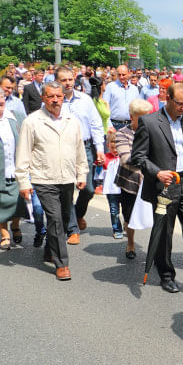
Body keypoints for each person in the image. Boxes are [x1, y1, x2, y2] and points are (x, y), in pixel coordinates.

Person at [130, 81, 183, 300]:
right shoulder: (149, 122)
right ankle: (166, 275)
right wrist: (157, 172)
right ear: (167, 98)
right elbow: (138, 157)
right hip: (164, 186)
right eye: (179, 103)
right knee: (164, 233)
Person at [15, 82, 88, 280]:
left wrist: (81, 174)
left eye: (58, 96)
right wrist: (23, 182)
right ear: (43, 98)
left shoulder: (72, 120)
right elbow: (22, 153)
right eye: (50, 96)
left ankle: (50, 247)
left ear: (63, 97)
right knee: (55, 219)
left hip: (66, 179)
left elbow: (79, 150)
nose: (55, 100)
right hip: (43, 178)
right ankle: (62, 264)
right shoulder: (32, 121)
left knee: (64, 219)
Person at [58, 67, 106, 245]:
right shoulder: (53, 100)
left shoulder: (85, 100)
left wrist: (99, 148)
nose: (68, 83)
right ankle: (72, 229)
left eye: (70, 79)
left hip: (84, 148)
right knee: (67, 189)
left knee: (88, 189)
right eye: (64, 80)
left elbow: (96, 125)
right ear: (57, 81)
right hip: (62, 148)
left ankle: (78, 214)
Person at [114, 99, 151, 259]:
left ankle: (157, 248)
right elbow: (125, 158)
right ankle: (130, 243)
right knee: (129, 215)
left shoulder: (154, 131)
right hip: (130, 181)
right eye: (141, 117)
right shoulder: (122, 133)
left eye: (148, 117)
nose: (146, 121)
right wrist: (150, 160)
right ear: (132, 117)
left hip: (151, 180)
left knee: (157, 216)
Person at [0, 93, 22, 251]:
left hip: (16, 167)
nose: (0, 100)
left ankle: (15, 225)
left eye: (1, 96)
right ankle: (4, 234)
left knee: (17, 200)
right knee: (0, 201)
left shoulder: (16, 117)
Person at [103, 66, 140, 131]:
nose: (121, 77)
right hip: (114, 125)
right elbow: (105, 107)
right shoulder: (110, 87)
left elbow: (137, 108)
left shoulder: (134, 89)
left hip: (130, 125)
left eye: (123, 75)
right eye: (119, 75)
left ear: (128, 73)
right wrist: (109, 125)